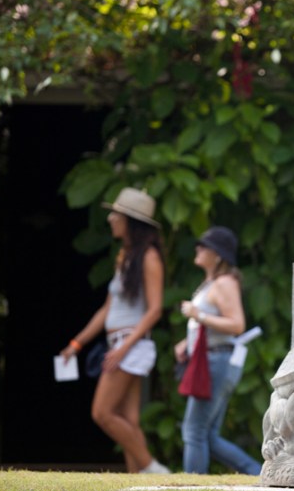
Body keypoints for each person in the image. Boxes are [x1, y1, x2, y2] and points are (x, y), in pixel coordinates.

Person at [60, 187, 170, 474]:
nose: (110, 218)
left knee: (102, 413)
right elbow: (106, 310)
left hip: (130, 345)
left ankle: (151, 469)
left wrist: (123, 349)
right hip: (121, 344)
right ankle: (140, 483)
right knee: (128, 420)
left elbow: (155, 310)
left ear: (131, 221)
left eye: (116, 214)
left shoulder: (149, 258)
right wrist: (76, 343)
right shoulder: (125, 257)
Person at [175, 226, 262, 475]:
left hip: (217, 362)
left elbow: (236, 324)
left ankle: (192, 487)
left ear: (219, 255)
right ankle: (256, 473)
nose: (198, 249)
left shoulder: (224, 282)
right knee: (208, 435)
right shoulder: (212, 282)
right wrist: (187, 343)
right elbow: (210, 325)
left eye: (204, 246)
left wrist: (198, 314)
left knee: (193, 431)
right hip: (212, 359)